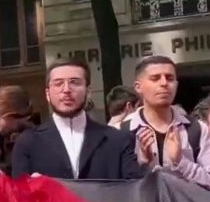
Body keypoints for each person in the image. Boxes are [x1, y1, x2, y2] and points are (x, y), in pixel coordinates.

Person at [12, 58, 143, 180]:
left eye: (75, 82)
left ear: (88, 91)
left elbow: (131, 191)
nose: (66, 90)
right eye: (58, 84)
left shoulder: (118, 140)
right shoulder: (28, 142)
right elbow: (19, 196)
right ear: (47, 94)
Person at [125, 56, 210, 192]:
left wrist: (181, 162)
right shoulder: (122, 131)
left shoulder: (197, 129)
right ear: (138, 86)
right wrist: (141, 165)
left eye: (170, 78)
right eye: (155, 78)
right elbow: (115, 190)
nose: (164, 83)